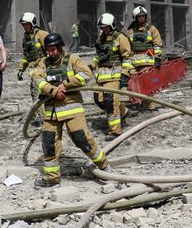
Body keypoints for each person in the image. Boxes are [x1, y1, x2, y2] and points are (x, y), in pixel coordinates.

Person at [32, 33, 110, 187]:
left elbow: (86, 74)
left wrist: (66, 83)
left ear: (60, 48)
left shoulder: (72, 59)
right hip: (51, 111)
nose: (51, 52)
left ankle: (104, 167)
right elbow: (38, 80)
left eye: (54, 49)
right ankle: (52, 178)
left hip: (72, 109)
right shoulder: (43, 63)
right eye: (48, 49)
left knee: (83, 140)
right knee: (49, 144)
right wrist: (52, 90)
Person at [90, 13, 134, 140]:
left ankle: (115, 131)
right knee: (98, 99)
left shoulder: (120, 38)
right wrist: (91, 65)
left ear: (112, 26)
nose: (104, 30)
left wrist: (125, 74)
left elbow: (127, 57)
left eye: (106, 27)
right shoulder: (100, 39)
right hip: (101, 75)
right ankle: (123, 112)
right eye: (102, 27)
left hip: (115, 74)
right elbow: (98, 57)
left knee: (110, 101)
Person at [126, 6, 163, 110]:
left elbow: (157, 44)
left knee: (147, 84)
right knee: (133, 83)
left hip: (147, 61)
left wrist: (158, 58)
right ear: (135, 17)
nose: (141, 18)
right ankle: (136, 103)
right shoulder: (130, 30)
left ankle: (150, 106)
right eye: (139, 16)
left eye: (143, 16)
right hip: (133, 62)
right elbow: (127, 47)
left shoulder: (151, 29)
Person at [17, 12, 49, 100]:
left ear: (32, 23)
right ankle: (37, 112)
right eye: (24, 25)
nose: (25, 26)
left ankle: (44, 112)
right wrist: (21, 69)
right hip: (34, 69)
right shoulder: (26, 37)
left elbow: (51, 52)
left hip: (44, 68)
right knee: (34, 93)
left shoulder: (41, 34)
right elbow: (26, 55)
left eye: (27, 24)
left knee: (44, 91)